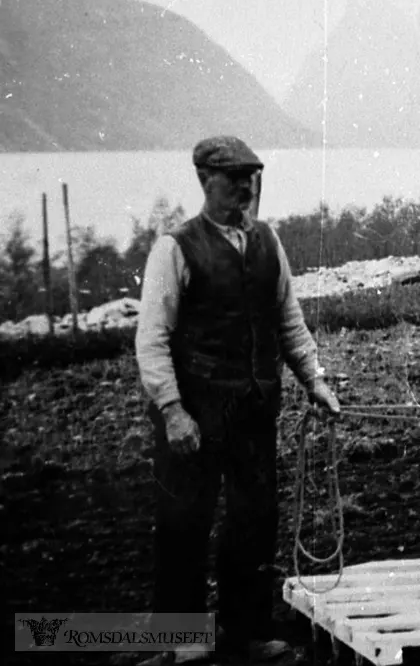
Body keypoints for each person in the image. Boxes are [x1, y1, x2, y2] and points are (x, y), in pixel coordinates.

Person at [135, 136, 340, 664]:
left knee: (254, 520)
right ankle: (177, 643)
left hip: (253, 408)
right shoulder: (175, 248)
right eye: (233, 179)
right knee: (184, 522)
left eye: (251, 178)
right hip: (196, 413)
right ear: (206, 181)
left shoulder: (269, 242)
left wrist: (314, 379)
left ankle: (245, 633)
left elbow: (288, 321)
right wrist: (173, 411)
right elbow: (153, 338)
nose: (244, 188)